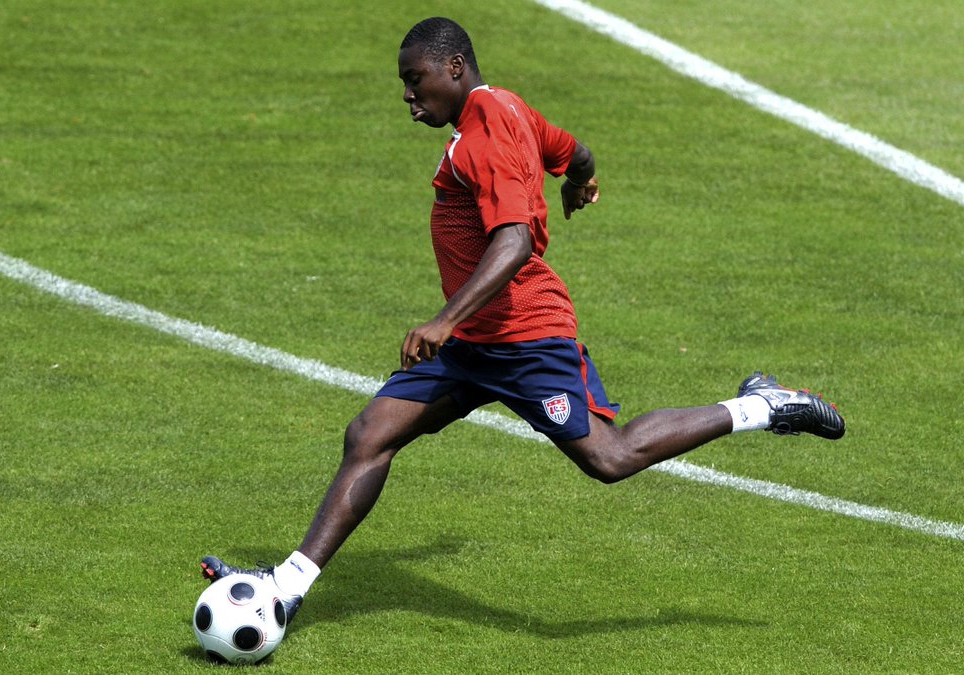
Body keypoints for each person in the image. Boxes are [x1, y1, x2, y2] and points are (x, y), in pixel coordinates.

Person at [200, 16, 844, 626]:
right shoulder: (507, 107)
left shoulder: (484, 133)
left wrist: (443, 321)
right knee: (369, 434)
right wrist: (579, 180)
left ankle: (762, 406)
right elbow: (575, 151)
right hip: (474, 341)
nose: (407, 95)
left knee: (610, 457)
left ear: (454, 67)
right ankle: (285, 590)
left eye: (415, 79)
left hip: (525, 337)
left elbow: (513, 242)